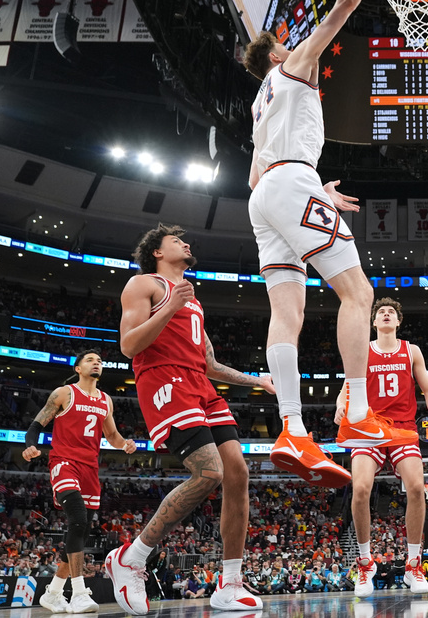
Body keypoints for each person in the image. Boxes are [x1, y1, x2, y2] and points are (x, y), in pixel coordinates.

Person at [241, 0, 416, 479]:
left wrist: (308, 188)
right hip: (292, 182)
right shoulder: (291, 68)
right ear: (277, 52)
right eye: (285, 41)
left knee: (286, 317)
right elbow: (342, 7)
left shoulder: (258, 105)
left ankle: (293, 428)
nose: (294, 44)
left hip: (264, 198)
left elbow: (254, 179)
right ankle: (359, 414)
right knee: (358, 294)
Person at [106, 224, 275, 614]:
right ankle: (131, 557)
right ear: (157, 253)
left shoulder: (193, 300)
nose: (185, 243)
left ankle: (229, 583)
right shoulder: (143, 284)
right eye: (175, 240)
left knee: (237, 474)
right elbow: (129, 345)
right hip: (164, 379)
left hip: (199, 382)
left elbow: (209, 363)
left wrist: (256, 381)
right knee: (209, 473)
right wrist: (170, 306)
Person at [334, 297, 428, 597]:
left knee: (415, 487)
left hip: (403, 428)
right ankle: (365, 563)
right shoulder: (363, 349)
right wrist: (340, 405)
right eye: (381, 312)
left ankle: (413, 565)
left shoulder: (411, 351)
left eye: (391, 312)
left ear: (398, 321)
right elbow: (347, 386)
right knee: (359, 490)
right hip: (369, 427)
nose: (386, 314)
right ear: (374, 322)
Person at [22, 350, 136, 614]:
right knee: (78, 520)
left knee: (82, 531)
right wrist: (30, 446)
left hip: (90, 469)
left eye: (99, 361)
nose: (97, 363)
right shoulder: (64, 393)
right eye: (90, 360)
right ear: (79, 368)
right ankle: (79, 593)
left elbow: (113, 436)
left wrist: (125, 445)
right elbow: (36, 425)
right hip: (64, 462)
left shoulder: (106, 400)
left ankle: (53, 592)